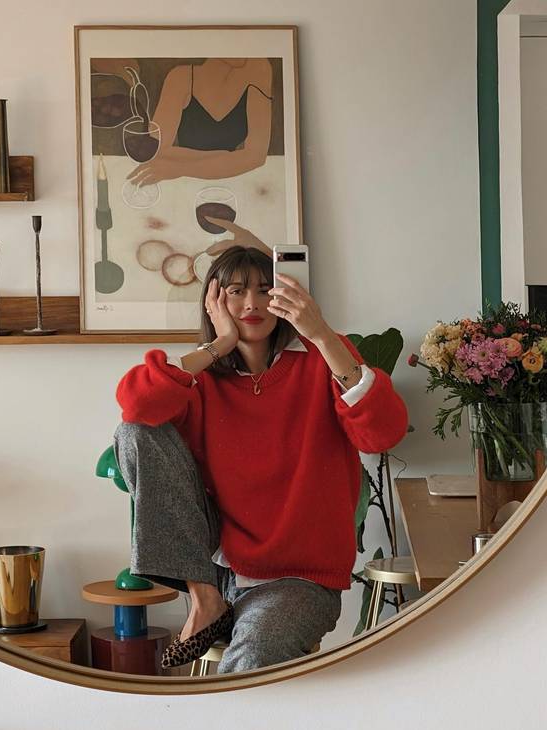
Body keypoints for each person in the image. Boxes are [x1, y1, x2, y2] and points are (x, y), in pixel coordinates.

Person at [114, 246, 408, 673]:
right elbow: (136, 406)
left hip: (298, 580)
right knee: (136, 431)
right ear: (214, 302)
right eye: (236, 291)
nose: (252, 303)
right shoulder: (200, 380)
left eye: (264, 290)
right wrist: (218, 346)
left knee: (251, 660)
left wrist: (321, 334)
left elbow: (381, 434)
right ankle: (204, 599)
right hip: (217, 569)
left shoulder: (323, 360)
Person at [127, 58, 273, 186]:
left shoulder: (258, 67)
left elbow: (256, 157)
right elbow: (158, 150)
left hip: (233, 181)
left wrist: (180, 168)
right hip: (180, 183)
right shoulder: (180, 77)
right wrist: (230, 159)